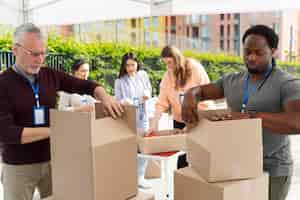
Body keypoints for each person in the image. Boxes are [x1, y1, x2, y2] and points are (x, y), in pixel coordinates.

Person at [0, 23, 123, 200]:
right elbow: (6, 132)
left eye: (43, 53)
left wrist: (105, 97)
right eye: (34, 54)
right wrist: (53, 131)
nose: (40, 59)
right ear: (15, 50)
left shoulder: (50, 75)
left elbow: (85, 85)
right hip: (18, 167)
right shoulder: (3, 83)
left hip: (53, 160)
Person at [182, 24, 300, 200]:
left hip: (272, 169)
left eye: (258, 53)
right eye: (247, 52)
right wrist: (190, 95)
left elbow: (296, 122)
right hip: (236, 164)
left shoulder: (287, 83)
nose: (251, 58)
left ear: (273, 51)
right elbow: (202, 91)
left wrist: (251, 117)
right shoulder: (232, 80)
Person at [151, 45, 211, 169]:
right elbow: (162, 101)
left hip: (198, 119)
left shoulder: (195, 69)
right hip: (179, 120)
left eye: (170, 62)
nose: (168, 66)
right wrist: (154, 122)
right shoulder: (168, 76)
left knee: (198, 156)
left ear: (177, 59)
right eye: (165, 63)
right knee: (182, 158)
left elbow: (204, 96)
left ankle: (200, 186)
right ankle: (183, 186)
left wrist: (191, 123)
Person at [114, 52, 152, 189]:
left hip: (142, 114)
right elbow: (117, 99)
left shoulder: (143, 75)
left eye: (133, 65)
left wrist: (147, 93)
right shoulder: (119, 81)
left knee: (143, 146)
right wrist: (125, 101)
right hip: (128, 117)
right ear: (123, 66)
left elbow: (149, 89)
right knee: (130, 146)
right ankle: (128, 176)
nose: (130, 68)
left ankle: (140, 177)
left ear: (137, 64)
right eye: (127, 65)